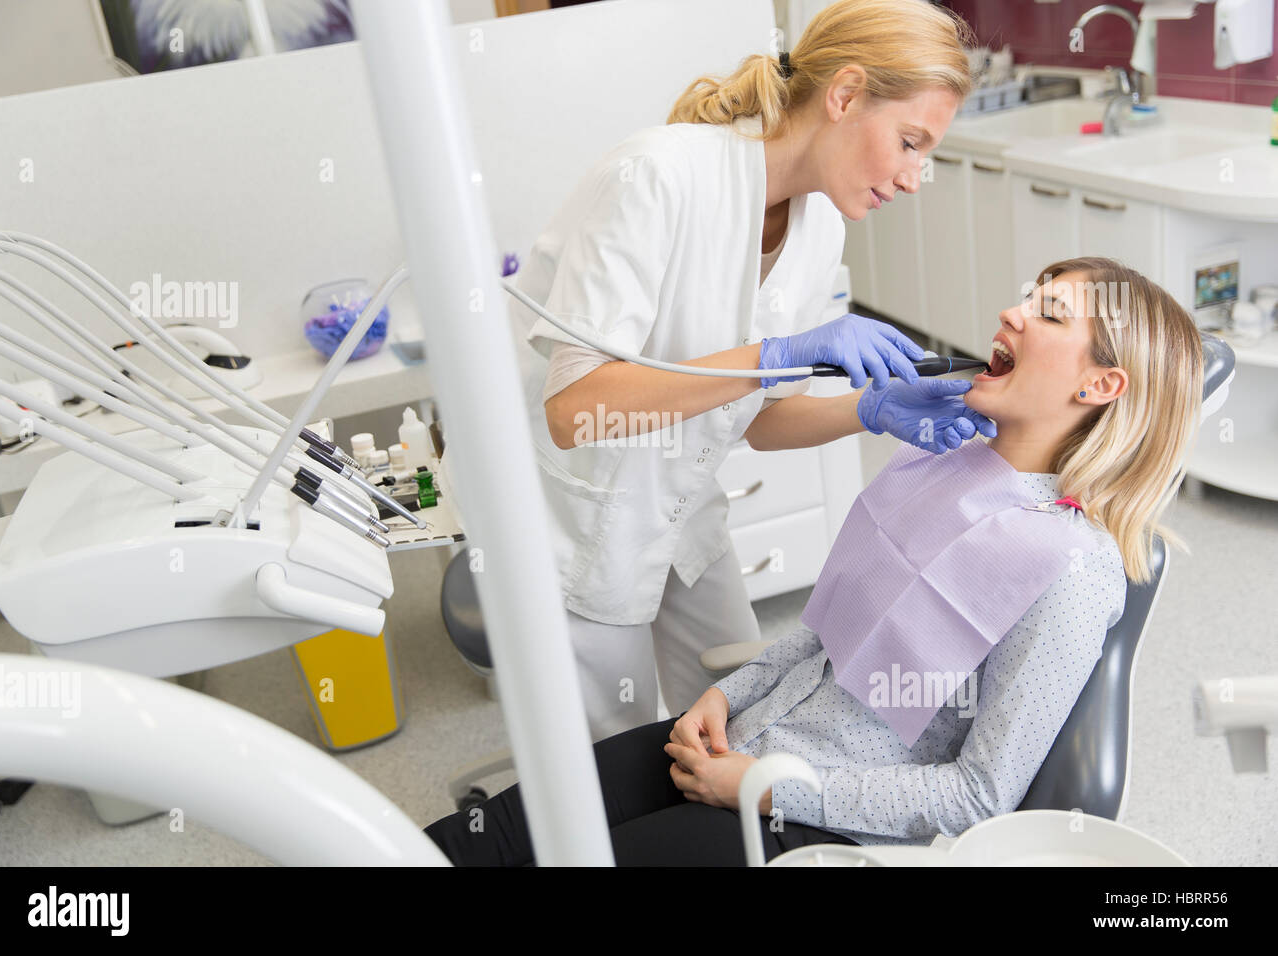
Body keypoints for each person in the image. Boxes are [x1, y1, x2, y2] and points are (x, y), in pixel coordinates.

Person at [426, 257, 1205, 865]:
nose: (1012, 311)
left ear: (1103, 384)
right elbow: (829, 634)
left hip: (812, 830)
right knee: (489, 834)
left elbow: (978, 796)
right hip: (743, 737)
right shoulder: (947, 463)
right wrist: (723, 699)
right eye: (1028, 296)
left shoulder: (1072, 568)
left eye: (1049, 312)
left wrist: (769, 790)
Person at [503, 0, 991, 742]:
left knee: (743, 708)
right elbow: (575, 411)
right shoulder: (655, 178)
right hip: (576, 518)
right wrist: (774, 357)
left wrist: (870, 409)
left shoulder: (819, 220)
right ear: (846, 93)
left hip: (680, 507)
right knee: (613, 751)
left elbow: (763, 420)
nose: (915, 177)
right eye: (910, 142)